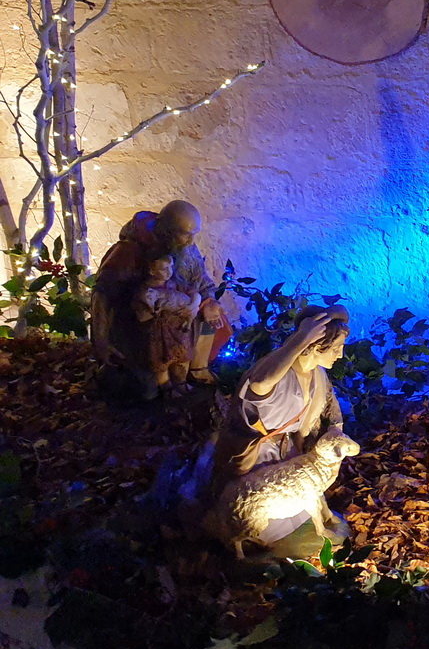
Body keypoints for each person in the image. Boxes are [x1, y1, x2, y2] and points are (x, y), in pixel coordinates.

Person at [210, 307, 350, 544]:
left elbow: (331, 408)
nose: (340, 355)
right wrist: (299, 340)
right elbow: (260, 382)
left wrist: (336, 431)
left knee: (303, 506)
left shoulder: (318, 374)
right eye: (336, 348)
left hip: (290, 454)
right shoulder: (277, 374)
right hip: (259, 459)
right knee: (259, 521)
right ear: (314, 346)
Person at [92, 200, 227, 397]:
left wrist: (210, 301)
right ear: (166, 229)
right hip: (144, 331)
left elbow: (202, 281)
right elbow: (103, 294)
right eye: (185, 234)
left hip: (180, 324)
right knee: (144, 391)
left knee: (209, 319)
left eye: (194, 235)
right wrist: (101, 339)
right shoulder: (129, 251)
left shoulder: (187, 248)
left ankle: (194, 372)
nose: (191, 242)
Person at [134, 255, 197, 394]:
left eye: (171, 267)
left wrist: (193, 304)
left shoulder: (175, 284)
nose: (169, 272)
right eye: (164, 269)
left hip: (178, 328)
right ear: (151, 271)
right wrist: (157, 310)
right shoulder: (145, 290)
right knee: (161, 360)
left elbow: (193, 293)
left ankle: (181, 382)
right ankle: (166, 387)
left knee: (182, 355)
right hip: (158, 332)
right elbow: (142, 315)